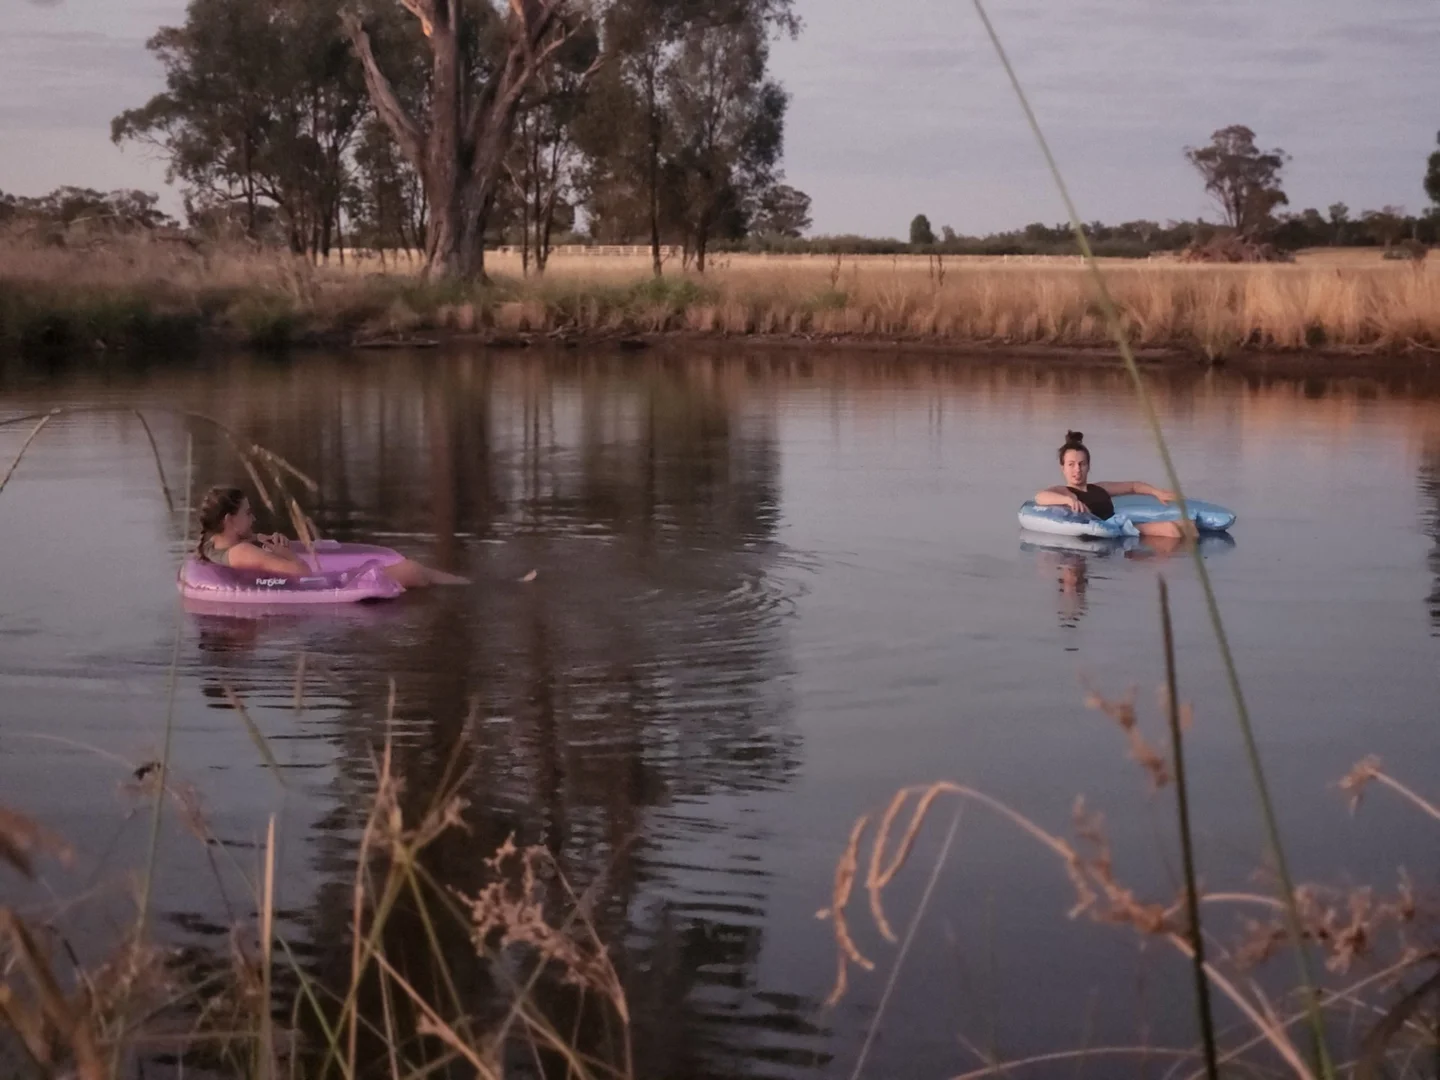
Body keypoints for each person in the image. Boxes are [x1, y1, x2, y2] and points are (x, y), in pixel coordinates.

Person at [195, 486, 469, 587]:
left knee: (415, 570)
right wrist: (286, 555)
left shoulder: (212, 544)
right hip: (325, 587)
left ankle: (460, 583)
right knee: (413, 569)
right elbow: (300, 574)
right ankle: (466, 586)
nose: (253, 518)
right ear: (229, 520)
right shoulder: (243, 552)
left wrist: (272, 547)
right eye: (247, 513)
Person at [1033, 431, 1189, 540]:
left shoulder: (1100, 487)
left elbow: (1133, 486)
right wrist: (1069, 501)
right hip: (1113, 535)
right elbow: (1040, 496)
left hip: (1122, 528)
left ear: (1089, 466)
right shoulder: (1065, 492)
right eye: (1071, 464)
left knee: (1190, 527)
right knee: (1171, 529)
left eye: (1082, 464)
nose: (1077, 470)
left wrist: (1157, 492)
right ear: (1063, 468)